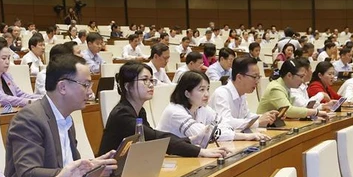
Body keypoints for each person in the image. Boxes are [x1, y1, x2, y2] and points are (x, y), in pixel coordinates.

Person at [5, 54, 116, 177]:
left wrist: (92, 165)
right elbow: (29, 174)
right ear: (62, 87)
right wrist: (85, 170)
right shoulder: (29, 119)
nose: (90, 92)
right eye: (86, 85)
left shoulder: (66, 118)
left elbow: (68, 166)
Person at [98, 61, 229, 158]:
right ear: (127, 86)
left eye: (151, 80)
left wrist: (190, 140)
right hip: (110, 175)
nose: (150, 84)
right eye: (144, 80)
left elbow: (151, 141)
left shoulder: (139, 111)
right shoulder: (123, 114)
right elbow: (156, 138)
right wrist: (200, 151)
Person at [157, 71, 270, 142]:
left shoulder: (202, 108)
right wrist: (245, 136)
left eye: (207, 89)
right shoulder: (175, 111)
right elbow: (204, 135)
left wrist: (229, 132)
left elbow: (224, 124)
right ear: (187, 93)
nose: (206, 94)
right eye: (201, 90)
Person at [209, 57, 277, 129]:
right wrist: (258, 122)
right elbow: (226, 123)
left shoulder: (241, 94)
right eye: (254, 77)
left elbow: (247, 116)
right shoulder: (221, 94)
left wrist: (267, 117)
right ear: (239, 77)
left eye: (258, 77)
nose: (257, 81)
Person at [257, 60, 328, 119]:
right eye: (301, 76)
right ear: (289, 75)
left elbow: (297, 108)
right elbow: (288, 111)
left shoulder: (286, 86)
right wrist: (316, 112)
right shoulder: (275, 88)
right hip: (264, 128)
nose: (303, 80)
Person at [0, 41, 42, 107]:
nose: (7, 62)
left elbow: (20, 94)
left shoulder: (6, 76)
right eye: (4, 58)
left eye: (8, 58)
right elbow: (1, 99)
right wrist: (29, 101)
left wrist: (41, 97)